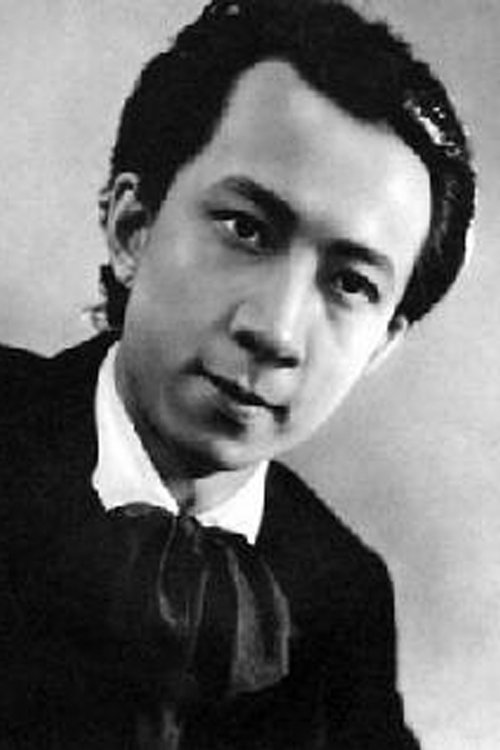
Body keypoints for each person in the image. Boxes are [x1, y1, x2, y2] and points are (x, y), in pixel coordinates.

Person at [0, 0, 475, 748]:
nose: (276, 331)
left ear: (380, 346)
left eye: (350, 283)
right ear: (132, 229)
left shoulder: (343, 596)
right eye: (246, 229)